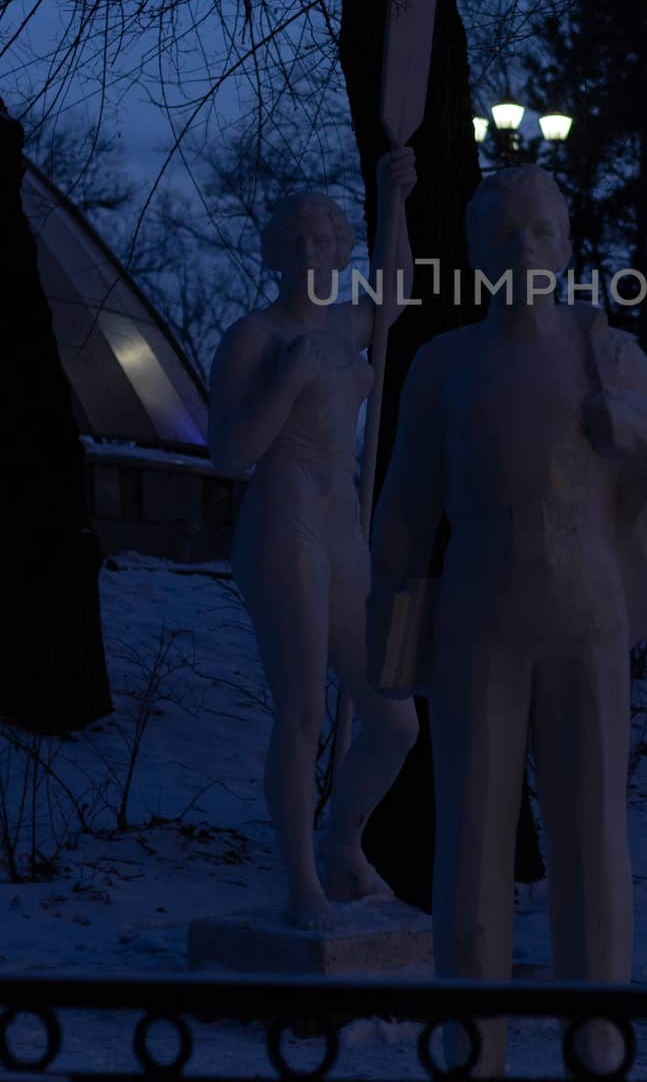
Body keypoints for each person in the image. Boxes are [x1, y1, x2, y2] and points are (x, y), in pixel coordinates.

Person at [368, 165, 647, 1075]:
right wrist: (385, 589)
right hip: (479, 599)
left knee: (591, 825)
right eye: (505, 234)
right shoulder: (445, 364)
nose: (524, 248)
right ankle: (470, 1042)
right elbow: (403, 509)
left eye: (541, 233)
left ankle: (595, 1037)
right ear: (477, 252)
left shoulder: (606, 352)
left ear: (566, 246)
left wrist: (632, 434)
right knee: (471, 828)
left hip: (584, 601)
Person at [208, 148, 419, 932]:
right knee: (301, 710)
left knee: (395, 719)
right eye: (294, 242)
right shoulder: (254, 339)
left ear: (340, 252)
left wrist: (396, 198)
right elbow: (228, 455)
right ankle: (303, 885)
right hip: (283, 519)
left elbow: (397, 288)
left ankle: (341, 845)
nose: (310, 253)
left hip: (342, 528)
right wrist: (287, 385)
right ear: (272, 253)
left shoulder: (349, 325)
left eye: (324, 241)